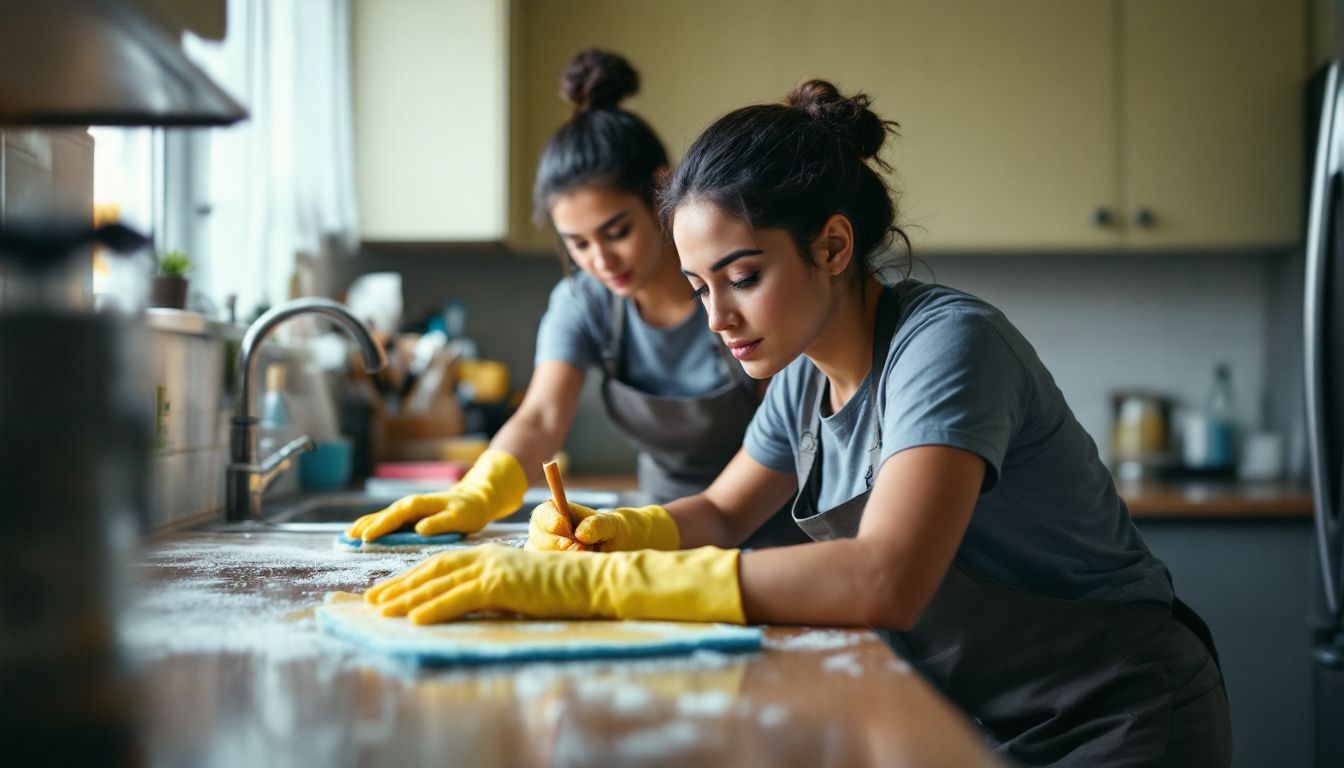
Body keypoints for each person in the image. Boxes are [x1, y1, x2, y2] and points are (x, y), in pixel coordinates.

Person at [363, 80, 1232, 766]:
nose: (717, 318)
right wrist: (612, 531)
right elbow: (720, 511)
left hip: (1116, 716)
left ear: (832, 247)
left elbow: (886, 576)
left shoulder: (948, 346)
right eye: (702, 287)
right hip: (976, 713)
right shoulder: (801, 379)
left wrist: (596, 587)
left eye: (742, 276)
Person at [348, 49, 797, 546]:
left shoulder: (740, 292)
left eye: (616, 231)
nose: (601, 260)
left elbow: (784, 432)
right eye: (578, 244)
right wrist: (476, 492)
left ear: (660, 195)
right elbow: (540, 417)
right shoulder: (584, 304)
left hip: (774, 523)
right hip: (663, 529)